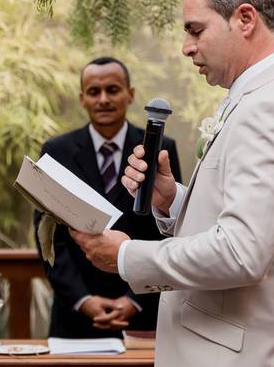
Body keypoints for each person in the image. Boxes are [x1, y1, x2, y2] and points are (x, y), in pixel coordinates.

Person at [72, 0, 274, 367]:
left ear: (245, 19)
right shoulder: (267, 98)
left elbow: (242, 252)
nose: (186, 48)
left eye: (195, 30)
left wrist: (127, 257)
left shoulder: (273, 109)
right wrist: (173, 200)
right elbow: (254, 224)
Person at [34, 57, 181, 338]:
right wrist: (83, 300)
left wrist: (134, 301)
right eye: (94, 92)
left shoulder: (160, 147)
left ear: (130, 94)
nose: (103, 99)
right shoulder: (56, 151)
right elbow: (49, 237)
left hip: (142, 316)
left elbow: (166, 229)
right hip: (74, 318)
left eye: (112, 90)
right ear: (82, 98)